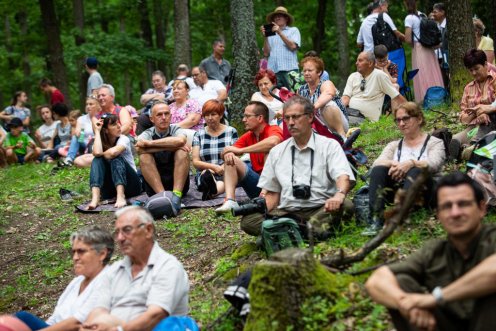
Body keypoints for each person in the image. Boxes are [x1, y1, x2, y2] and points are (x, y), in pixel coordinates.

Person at [365, 172, 496, 331]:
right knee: (400, 282)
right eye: (447, 206)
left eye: (463, 204)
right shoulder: (435, 251)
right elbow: (376, 281)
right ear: (438, 214)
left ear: (482, 208)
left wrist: (435, 298)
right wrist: (407, 304)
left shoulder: (492, 238)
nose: (455, 213)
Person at [240, 96, 355, 237]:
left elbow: (343, 175)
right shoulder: (277, 151)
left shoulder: (329, 145)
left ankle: (287, 233)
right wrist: (261, 208)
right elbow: (272, 192)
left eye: (295, 117)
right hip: (288, 212)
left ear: (310, 117)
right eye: (287, 118)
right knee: (248, 221)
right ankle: (306, 231)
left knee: (346, 205)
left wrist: (339, 194)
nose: (290, 123)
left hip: (321, 207)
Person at [81, 206, 189, 331]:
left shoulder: (168, 267)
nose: (120, 238)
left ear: (148, 230)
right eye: (117, 232)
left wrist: (120, 330)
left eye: (127, 230)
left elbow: (155, 315)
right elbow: (98, 309)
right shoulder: (114, 271)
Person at [363, 102, 446, 235]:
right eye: (398, 120)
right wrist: (395, 164)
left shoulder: (435, 143)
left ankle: (403, 217)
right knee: (379, 170)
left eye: (406, 118)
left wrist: (411, 163)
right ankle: (375, 219)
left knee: (416, 170)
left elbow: (433, 164)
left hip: (425, 191)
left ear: (419, 119)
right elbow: (376, 163)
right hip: (397, 189)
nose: (401, 124)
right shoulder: (394, 145)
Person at [15, 226, 113, 331]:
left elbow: (77, 323)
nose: (75, 257)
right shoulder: (77, 281)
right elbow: (54, 318)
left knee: (21, 318)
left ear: (102, 254)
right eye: (73, 252)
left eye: (81, 251)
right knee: (20, 318)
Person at [215, 101, 283, 213]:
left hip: (275, 190)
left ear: (260, 118)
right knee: (231, 159)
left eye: (247, 116)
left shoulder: (273, 129)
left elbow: (273, 142)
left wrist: (241, 150)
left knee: (269, 152)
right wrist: (229, 153)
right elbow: (227, 151)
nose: (243, 120)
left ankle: (266, 197)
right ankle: (230, 200)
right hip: (258, 186)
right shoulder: (249, 135)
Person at [136, 101, 190, 216]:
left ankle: (176, 197)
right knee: (144, 156)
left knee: (182, 152)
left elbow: (180, 141)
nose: (164, 117)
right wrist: (172, 146)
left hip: (178, 184)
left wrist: (149, 145)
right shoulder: (146, 134)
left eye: (166, 114)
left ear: (171, 116)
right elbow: (139, 149)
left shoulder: (176, 129)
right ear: (152, 119)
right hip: (155, 187)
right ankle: (163, 198)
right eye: (159, 115)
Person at [449, 49, 496, 161]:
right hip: (473, 127)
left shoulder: (494, 80)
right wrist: (476, 113)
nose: (474, 73)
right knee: (455, 139)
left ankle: (472, 147)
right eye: (471, 70)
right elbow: (463, 118)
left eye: (476, 68)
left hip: (492, 123)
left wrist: (486, 111)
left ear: (485, 64)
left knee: (484, 135)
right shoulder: (468, 88)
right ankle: (468, 149)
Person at [87, 114, 142, 210]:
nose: (119, 126)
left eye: (118, 123)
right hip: (110, 188)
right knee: (97, 160)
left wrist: (101, 154)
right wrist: (97, 131)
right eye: (113, 124)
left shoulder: (123, 138)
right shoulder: (98, 141)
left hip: (132, 185)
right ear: (106, 130)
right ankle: (95, 199)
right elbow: (97, 153)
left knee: (116, 158)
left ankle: (121, 196)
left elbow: (113, 152)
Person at [192, 100, 238, 200]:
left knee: (224, 181)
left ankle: (209, 192)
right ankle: (210, 190)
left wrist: (221, 168)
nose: (209, 118)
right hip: (206, 170)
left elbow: (236, 155)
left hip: (226, 170)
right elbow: (195, 161)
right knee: (207, 175)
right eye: (206, 115)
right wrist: (213, 167)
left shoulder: (231, 131)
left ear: (221, 115)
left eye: (213, 114)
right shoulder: (198, 134)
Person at [342, 51, 406, 123]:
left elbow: (396, 96)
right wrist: (339, 109)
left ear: (370, 63)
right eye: (357, 61)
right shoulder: (353, 76)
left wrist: (413, 111)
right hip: (350, 113)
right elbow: (345, 98)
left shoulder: (379, 75)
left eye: (360, 61)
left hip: (366, 119)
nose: (356, 63)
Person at [298, 56, 348, 140]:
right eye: (304, 71)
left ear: (319, 72)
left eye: (310, 70)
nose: (306, 73)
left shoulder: (326, 83)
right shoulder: (301, 90)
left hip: (339, 123)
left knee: (327, 105)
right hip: (316, 124)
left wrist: (312, 108)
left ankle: (343, 137)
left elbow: (329, 93)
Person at [404, 0, 444, 103]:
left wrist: (414, 45)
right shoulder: (422, 15)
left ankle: (424, 99)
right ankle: (439, 96)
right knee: (433, 72)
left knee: (421, 74)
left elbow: (408, 39)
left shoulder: (409, 18)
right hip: (429, 48)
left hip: (418, 48)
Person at [261, 6, 301, 90]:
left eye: (280, 15)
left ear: (286, 18)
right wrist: (265, 37)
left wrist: (280, 32)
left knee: (294, 96)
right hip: (273, 72)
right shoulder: (270, 34)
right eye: (275, 16)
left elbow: (293, 46)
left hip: (290, 70)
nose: (277, 17)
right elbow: (266, 53)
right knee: (274, 97)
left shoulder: (293, 30)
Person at [61, 96, 99, 168]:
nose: (88, 106)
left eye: (91, 104)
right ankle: (69, 159)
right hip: (84, 144)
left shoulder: (101, 117)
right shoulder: (81, 119)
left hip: (97, 145)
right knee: (76, 137)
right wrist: (78, 131)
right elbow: (79, 134)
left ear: (97, 105)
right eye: (87, 104)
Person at [432, 3, 449, 88]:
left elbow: (445, 42)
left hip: (447, 56)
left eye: (435, 12)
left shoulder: (447, 26)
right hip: (441, 56)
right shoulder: (438, 25)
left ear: (442, 12)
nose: (433, 14)